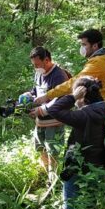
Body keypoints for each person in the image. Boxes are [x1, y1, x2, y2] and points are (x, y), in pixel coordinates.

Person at [46, 76, 105, 209]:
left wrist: (73, 97)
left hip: (77, 166)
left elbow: (54, 110)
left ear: (83, 96)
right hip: (97, 165)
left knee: (71, 208)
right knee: (89, 207)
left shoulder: (84, 115)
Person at [19, 46, 69, 186]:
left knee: (53, 150)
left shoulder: (59, 75)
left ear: (46, 60)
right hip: (40, 121)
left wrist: (42, 110)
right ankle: (47, 175)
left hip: (54, 121)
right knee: (40, 147)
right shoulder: (39, 73)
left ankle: (55, 181)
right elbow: (35, 90)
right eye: (33, 65)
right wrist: (28, 95)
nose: (35, 68)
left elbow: (62, 99)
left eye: (37, 64)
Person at [34, 29, 105, 105]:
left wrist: (47, 95)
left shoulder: (98, 62)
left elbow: (75, 82)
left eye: (84, 44)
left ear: (95, 46)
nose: (82, 48)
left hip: (100, 106)